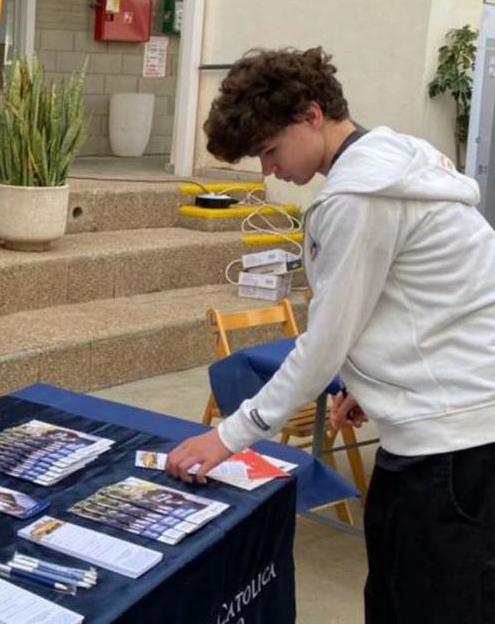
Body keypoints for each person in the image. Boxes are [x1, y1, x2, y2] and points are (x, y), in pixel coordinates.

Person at [165, 47, 495, 622]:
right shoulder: (399, 161)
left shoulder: (358, 198)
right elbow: (422, 299)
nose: (269, 171)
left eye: (269, 150)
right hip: (448, 426)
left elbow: (321, 346)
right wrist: (370, 382)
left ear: (312, 115)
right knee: (394, 597)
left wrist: (228, 436)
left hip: (451, 444)